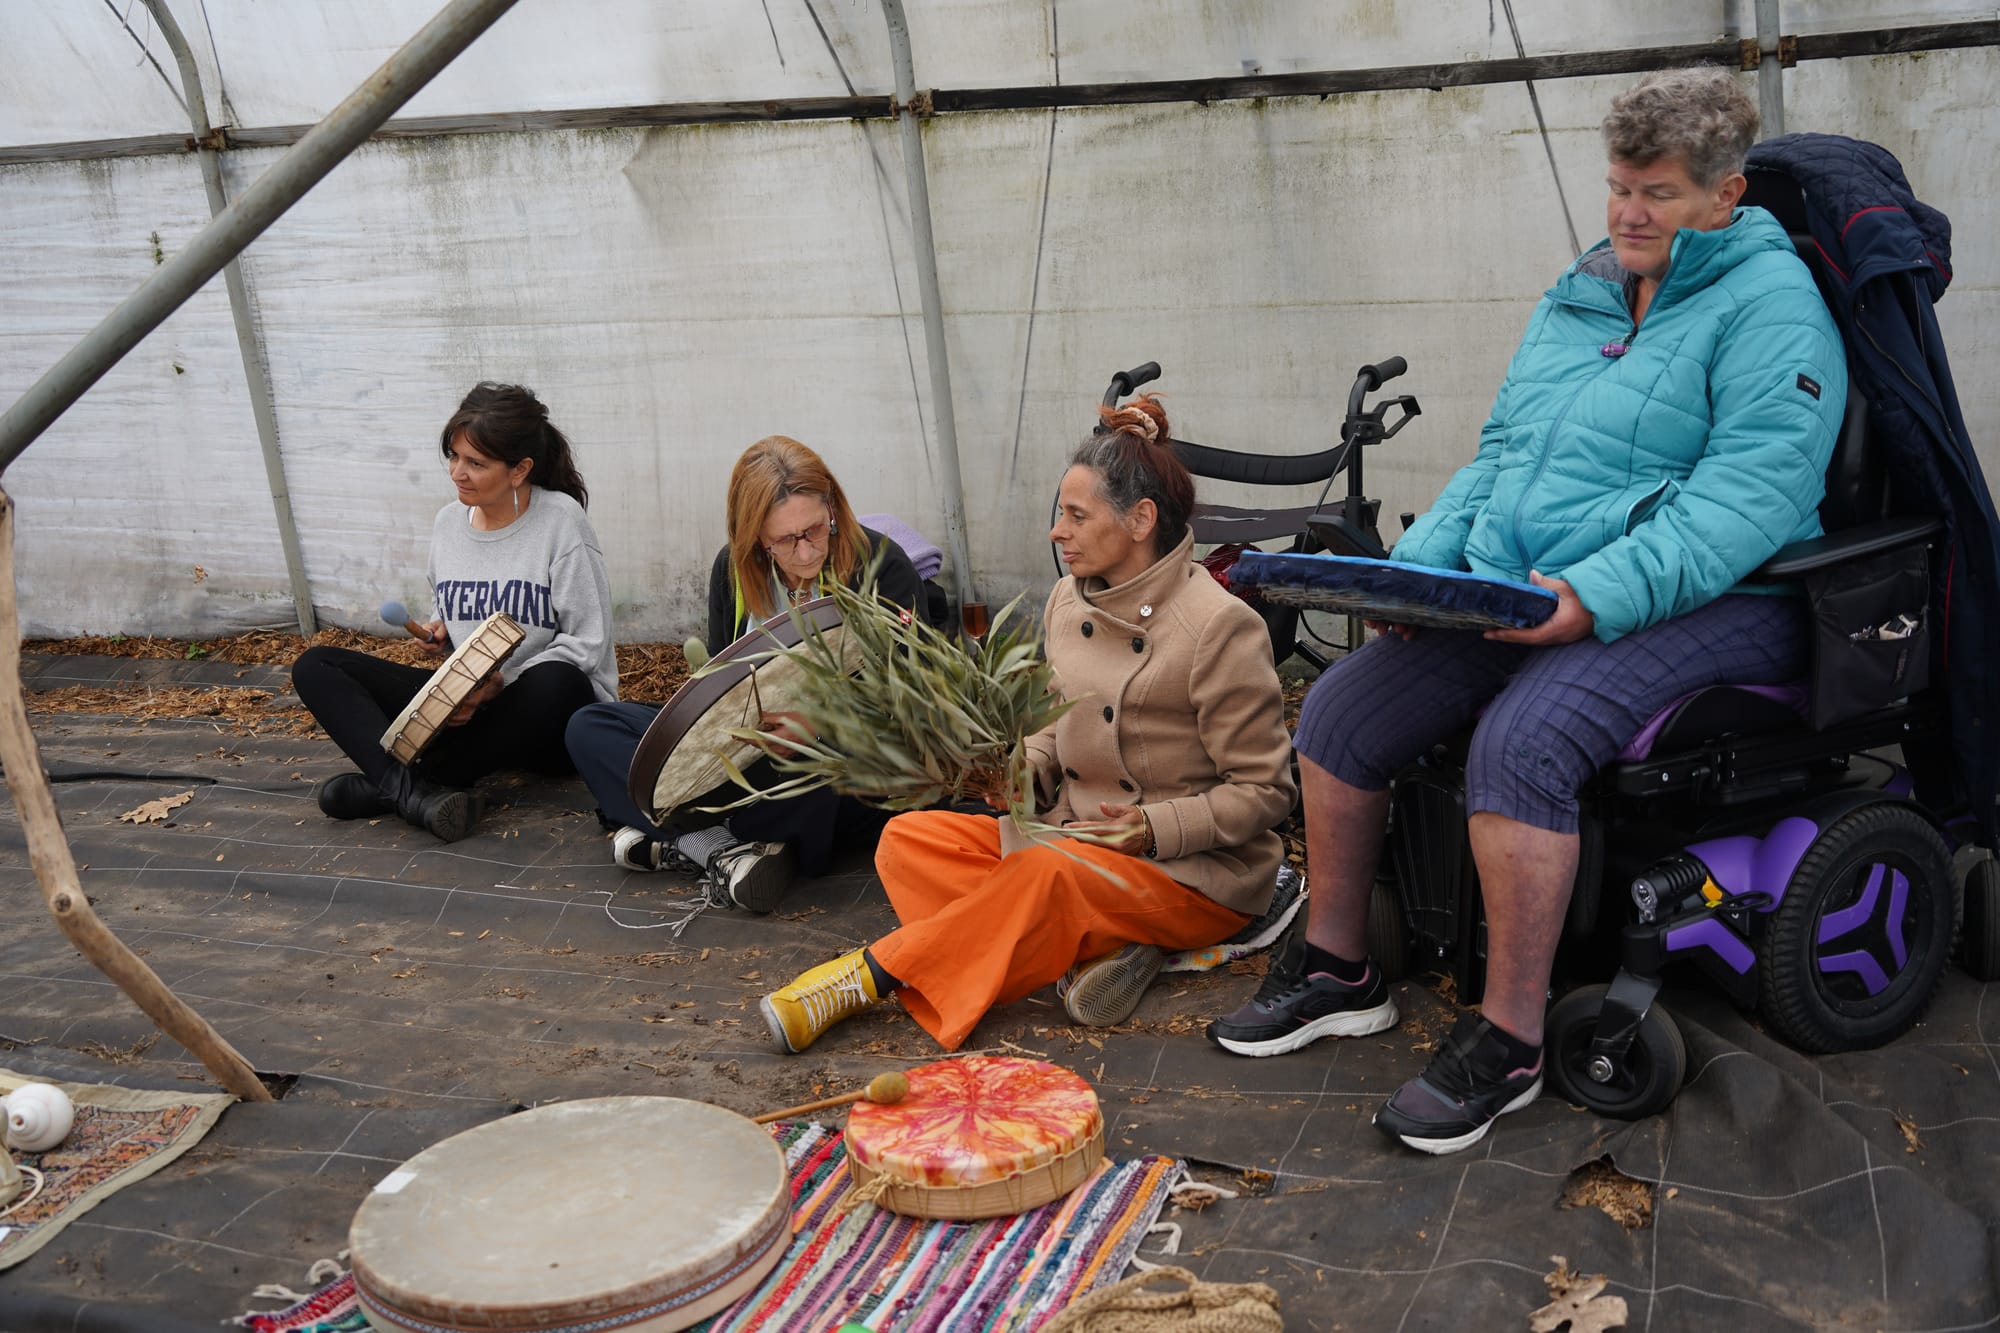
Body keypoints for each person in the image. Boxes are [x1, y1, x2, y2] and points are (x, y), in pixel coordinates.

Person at [1207, 69, 1849, 1155]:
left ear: (1724, 194)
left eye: (1655, 194)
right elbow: (1503, 452)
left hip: (1730, 596)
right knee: (1343, 712)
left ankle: (1508, 1039)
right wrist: (1421, 574)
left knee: (1524, 739)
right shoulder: (1586, 289)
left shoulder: (1774, 308)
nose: (1627, 214)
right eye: (1617, 188)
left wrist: (1593, 597)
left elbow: (1749, 502)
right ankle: (1338, 968)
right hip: (1540, 586)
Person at [759, 394, 1297, 1054]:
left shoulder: (1217, 626)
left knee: (1042, 875)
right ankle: (1102, 943)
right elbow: (1051, 719)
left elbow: (1266, 791)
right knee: (907, 840)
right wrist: (1026, 769)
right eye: (1059, 513)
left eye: (1076, 515)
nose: (1056, 531)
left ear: (1140, 519)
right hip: (1073, 839)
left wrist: (1149, 827)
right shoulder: (1068, 599)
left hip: (1189, 871)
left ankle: (865, 978)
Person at [563, 435, 924, 912]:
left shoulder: (880, 566)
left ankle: (690, 839)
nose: (805, 552)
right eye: (784, 540)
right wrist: (714, 729)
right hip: (749, 754)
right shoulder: (732, 570)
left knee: (829, 788)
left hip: (835, 757)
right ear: (754, 537)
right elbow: (721, 684)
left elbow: (915, 698)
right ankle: (725, 848)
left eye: (816, 529)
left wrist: (821, 726)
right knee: (590, 727)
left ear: (833, 508)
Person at [294, 382, 616, 842]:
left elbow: (587, 644)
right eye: (453, 457)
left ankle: (398, 784)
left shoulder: (561, 521)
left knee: (558, 681)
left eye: (475, 463)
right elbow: (455, 618)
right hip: (467, 708)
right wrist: (441, 635)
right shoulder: (448, 523)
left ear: (520, 469)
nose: (457, 473)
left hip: (547, 722)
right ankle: (411, 792)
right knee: (317, 665)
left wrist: (495, 685)